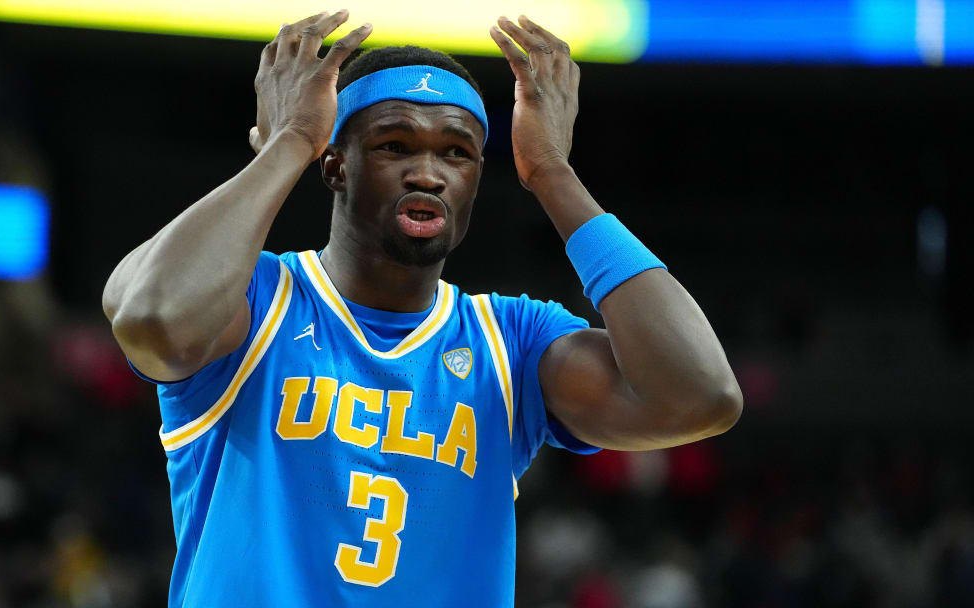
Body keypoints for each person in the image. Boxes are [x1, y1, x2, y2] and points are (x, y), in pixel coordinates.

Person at [102, 9, 742, 607]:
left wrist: (552, 173)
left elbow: (702, 397)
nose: (428, 173)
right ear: (336, 168)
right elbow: (153, 321)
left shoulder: (512, 341)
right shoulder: (251, 299)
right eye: (394, 146)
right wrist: (288, 143)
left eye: (455, 152)